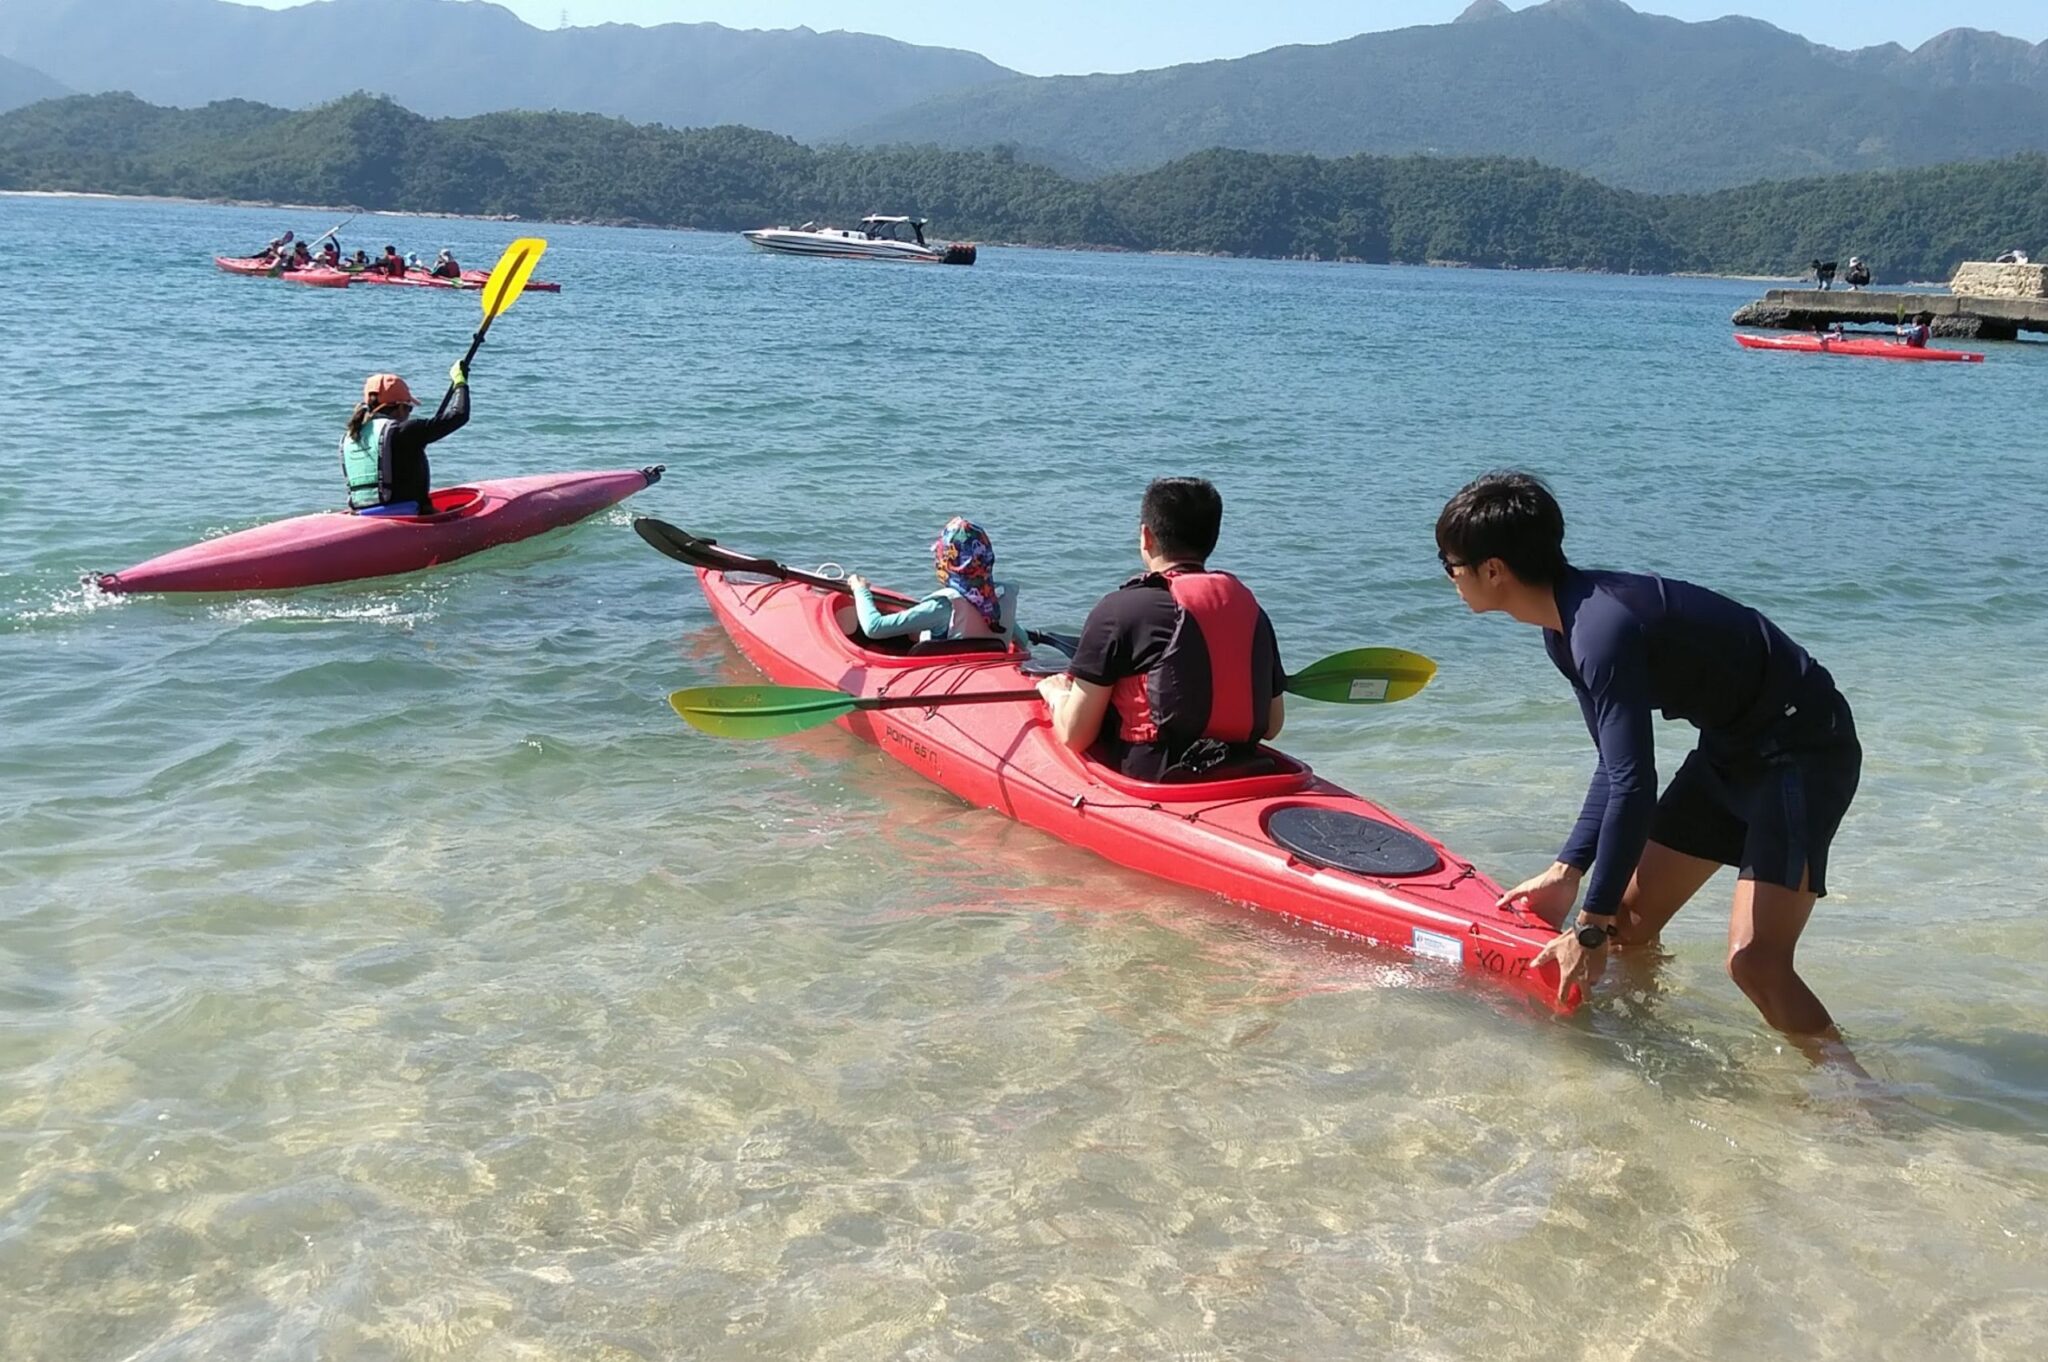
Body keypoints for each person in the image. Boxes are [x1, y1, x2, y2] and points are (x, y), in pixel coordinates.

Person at [1435, 471, 1862, 1045]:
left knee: (1754, 962)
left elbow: (1636, 785)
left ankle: (1857, 1101)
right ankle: (1647, 1043)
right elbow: (1614, 768)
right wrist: (1569, 871)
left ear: (1494, 569)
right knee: (1628, 928)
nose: (1449, 578)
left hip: (1803, 752)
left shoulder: (1600, 630)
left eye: (1450, 564)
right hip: (1731, 749)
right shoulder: (1564, 629)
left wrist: (1586, 928)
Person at [1035, 477, 1286, 782]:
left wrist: (1056, 693)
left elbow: (1074, 735)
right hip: (1242, 768)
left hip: (1159, 779)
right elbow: (1272, 725)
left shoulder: (1119, 610)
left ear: (1146, 536)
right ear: (1213, 538)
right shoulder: (1251, 610)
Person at [846, 518, 1023, 649]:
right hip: (985, 674)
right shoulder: (997, 600)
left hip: (945, 680)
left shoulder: (942, 607)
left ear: (947, 561)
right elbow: (1022, 640)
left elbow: (874, 628)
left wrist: (860, 590)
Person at [338, 365, 471, 516]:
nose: (408, 414)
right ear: (400, 407)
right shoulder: (405, 431)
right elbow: (459, 415)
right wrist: (460, 383)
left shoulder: (351, 435)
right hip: (407, 514)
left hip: (363, 513)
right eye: (409, 408)